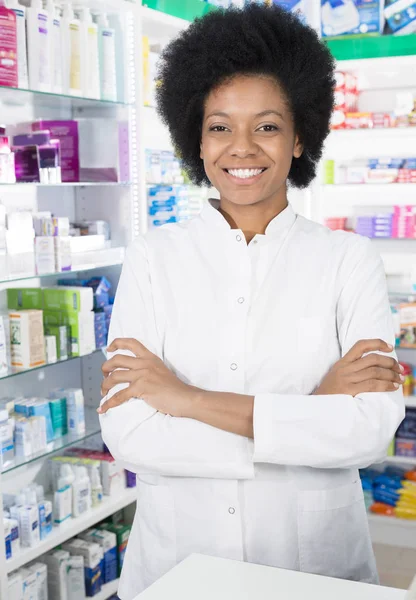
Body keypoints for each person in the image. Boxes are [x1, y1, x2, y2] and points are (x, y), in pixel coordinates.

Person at [98, 5, 404, 600]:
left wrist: (185, 399)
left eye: (266, 126)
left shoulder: (349, 258)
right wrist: (310, 413)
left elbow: (368, 431)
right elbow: (132, 433)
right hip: (178, 561)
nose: (242, 148)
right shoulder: (153, 258)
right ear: (197, 139)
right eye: (219, 126)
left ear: (298, 139)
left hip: (314, 568)